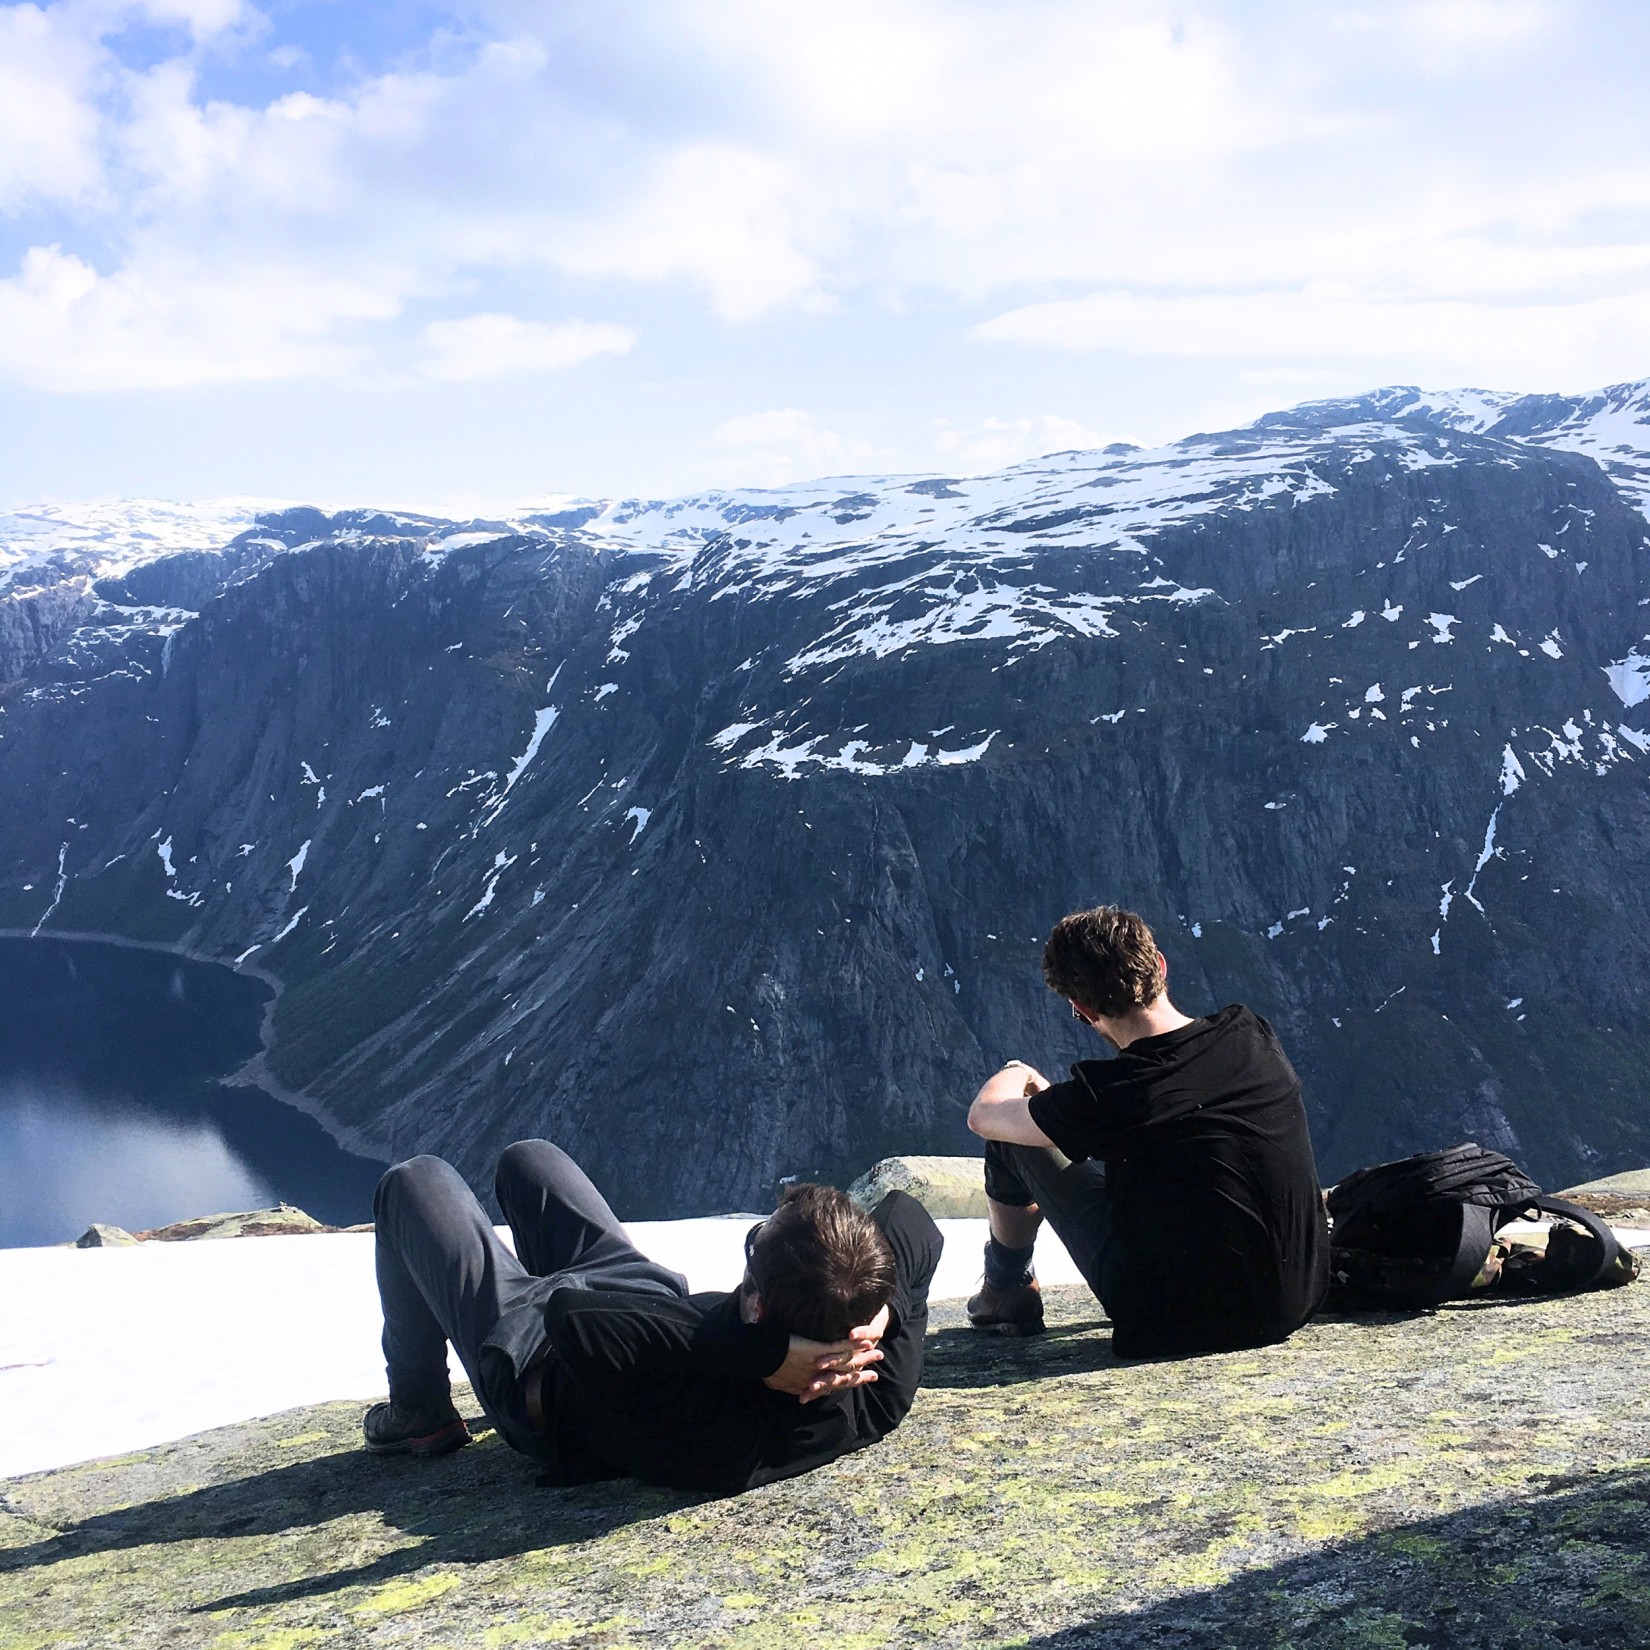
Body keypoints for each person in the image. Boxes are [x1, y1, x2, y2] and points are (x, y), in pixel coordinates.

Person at [364, 1138, 942, 1494]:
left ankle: (419, 1410)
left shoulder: (720, 1430)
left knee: (412, 1182)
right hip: (645, 1309)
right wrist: (885, 1314)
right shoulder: (875, 1392)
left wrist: (763, 1354)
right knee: (528, 1160)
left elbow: (573, 1316)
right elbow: (908, 1215)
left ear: (758, 1306)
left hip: (536, 1358)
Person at [965, 904, 1328, 1358]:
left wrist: (1017, 1071)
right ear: (1159, 965)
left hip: (1173, 1322)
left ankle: (1007, 1287)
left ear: (1082, 1009)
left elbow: (984, 1116)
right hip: (1296, 1298)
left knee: (1009, 1141)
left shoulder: (1111, 1094)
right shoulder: (1251, 1034)